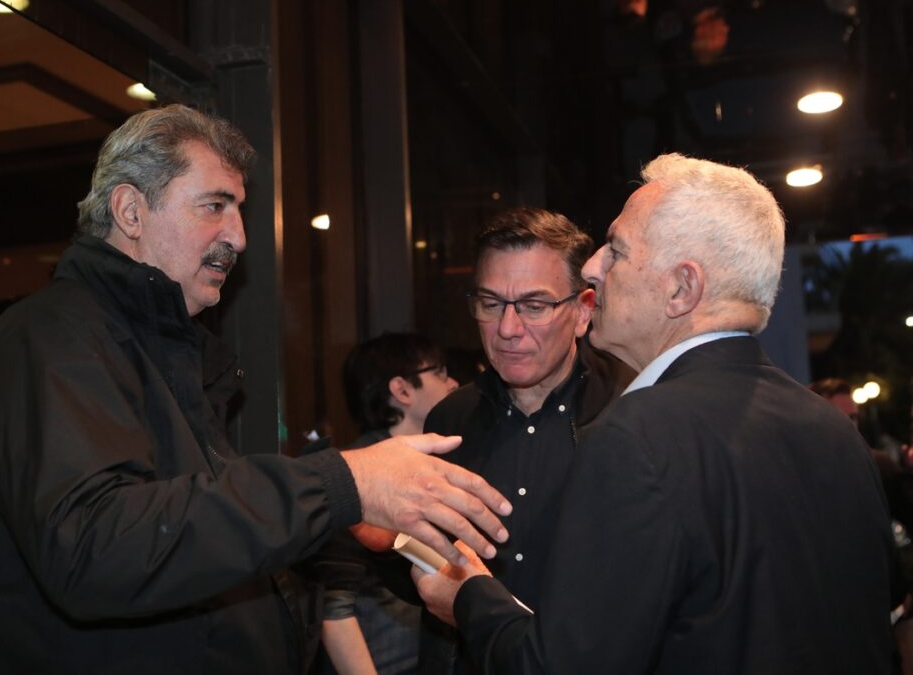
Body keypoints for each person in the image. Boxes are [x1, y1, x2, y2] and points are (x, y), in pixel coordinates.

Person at [0, 104, 512, 674]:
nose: (238, 236)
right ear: (131, 211)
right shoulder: (49, 341)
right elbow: (97, 547)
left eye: (237, 210)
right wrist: (342, 483)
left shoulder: (159, 351)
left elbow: (194, 541)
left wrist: (342, 531)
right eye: (214, 206)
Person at [415, 153, 898, 673]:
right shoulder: (835, 431)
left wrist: (469, 596)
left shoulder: (636, 434)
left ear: (682, 288)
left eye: (617, 250)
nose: (593, 267)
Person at [418, 207, 636, 672]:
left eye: (534, 306)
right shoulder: (449, 420)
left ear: (583, 310)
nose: (507, 329)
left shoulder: (633, 415)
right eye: (491, 304)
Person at [315, 333, 458, 674]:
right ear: (401, 390)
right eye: (439, 372)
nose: (453, 383)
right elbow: (334, 607)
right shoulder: (356, 475)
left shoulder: (433, 468)